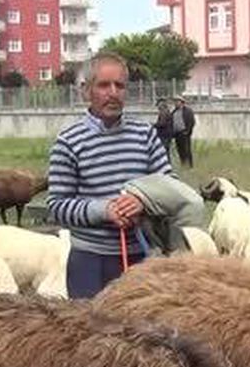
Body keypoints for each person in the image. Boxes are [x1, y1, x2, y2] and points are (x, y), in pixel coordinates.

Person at [47, 52, 173, 299]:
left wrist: (142, 202)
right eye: (104, 85)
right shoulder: (68, 142)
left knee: (143, 333)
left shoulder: (145, 135)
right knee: (92, 332)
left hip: (142, 257)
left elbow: (169, 186)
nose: (113, 92)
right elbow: (57, 206)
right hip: (91, 263)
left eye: (120, 85)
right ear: (86, 91)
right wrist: (104, 211)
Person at [171, 95, 196, 168]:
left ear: (181, 102)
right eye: (175, 101)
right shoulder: (174, 112)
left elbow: (192, 122)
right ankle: (183, 164)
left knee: (187, 150)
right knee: (180, 150)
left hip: (184, 133)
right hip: (177, 134)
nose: (175, 103)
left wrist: (188, 131)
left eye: (177, 101)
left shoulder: (188, 111)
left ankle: (190, 166)